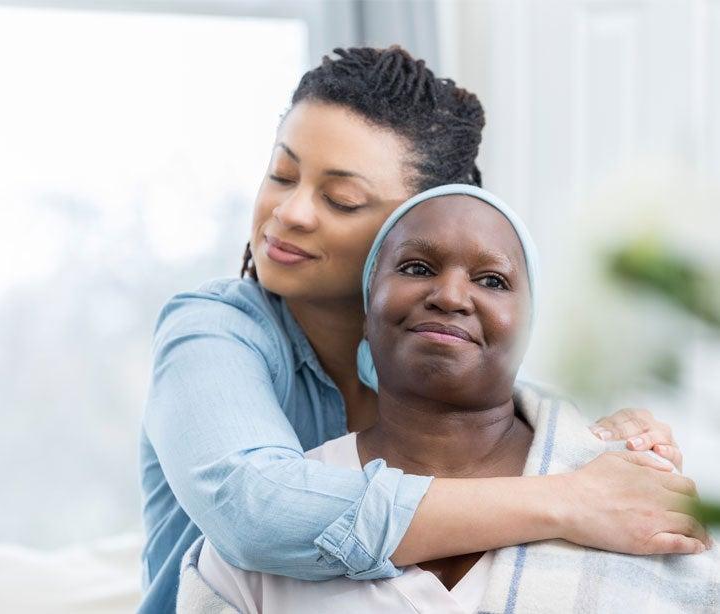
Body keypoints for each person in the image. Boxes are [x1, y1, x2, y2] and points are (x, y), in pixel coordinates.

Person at [140, 47, 694, 613]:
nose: (291, 213)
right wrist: (571, 501)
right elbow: (254, 513)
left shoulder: (437, 351)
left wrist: (606, 433)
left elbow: (531, 418)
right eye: (282, 175)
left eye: (341, 200)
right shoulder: (213, 329)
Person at [179, 184, 716, 614]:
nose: (452, 296)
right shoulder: (260, 543)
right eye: (416, 268)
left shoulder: (635, 497)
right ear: (366, 313)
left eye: (491, 280)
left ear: (531, 329)